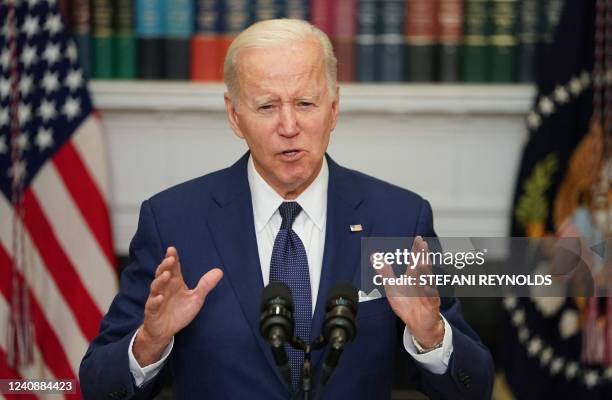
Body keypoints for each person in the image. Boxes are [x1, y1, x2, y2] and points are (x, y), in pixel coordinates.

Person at [79, 19, 494, 400]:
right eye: (266, 106)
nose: (289, 126)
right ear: (234, 116)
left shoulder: (398, 219)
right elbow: (99, 384)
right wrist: (150, 343)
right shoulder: (173, 221)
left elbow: (474, 388)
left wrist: (432, 337)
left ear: (334, 108)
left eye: (306, 104)